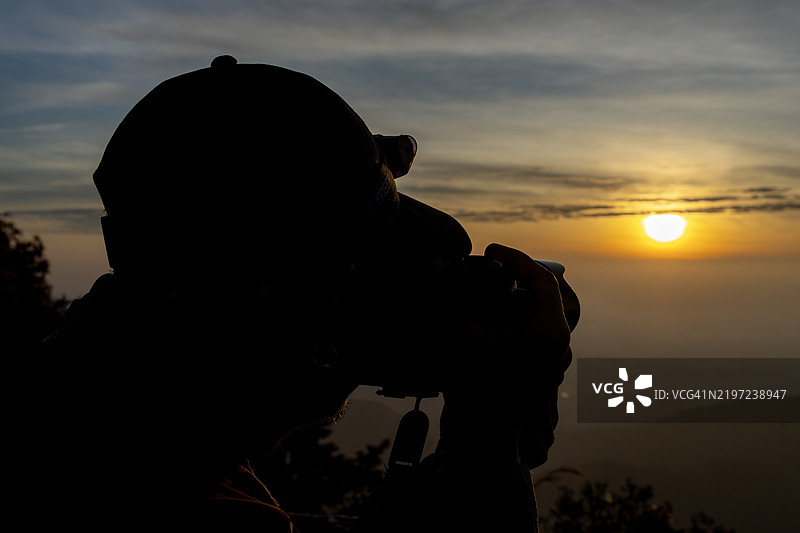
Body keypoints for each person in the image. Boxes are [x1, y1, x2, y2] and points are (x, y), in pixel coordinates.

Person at [3, 56, 577, 531]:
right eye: (364, 270)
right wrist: (489, 445)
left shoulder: (93, 407)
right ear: (260, 303)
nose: (394, 293)